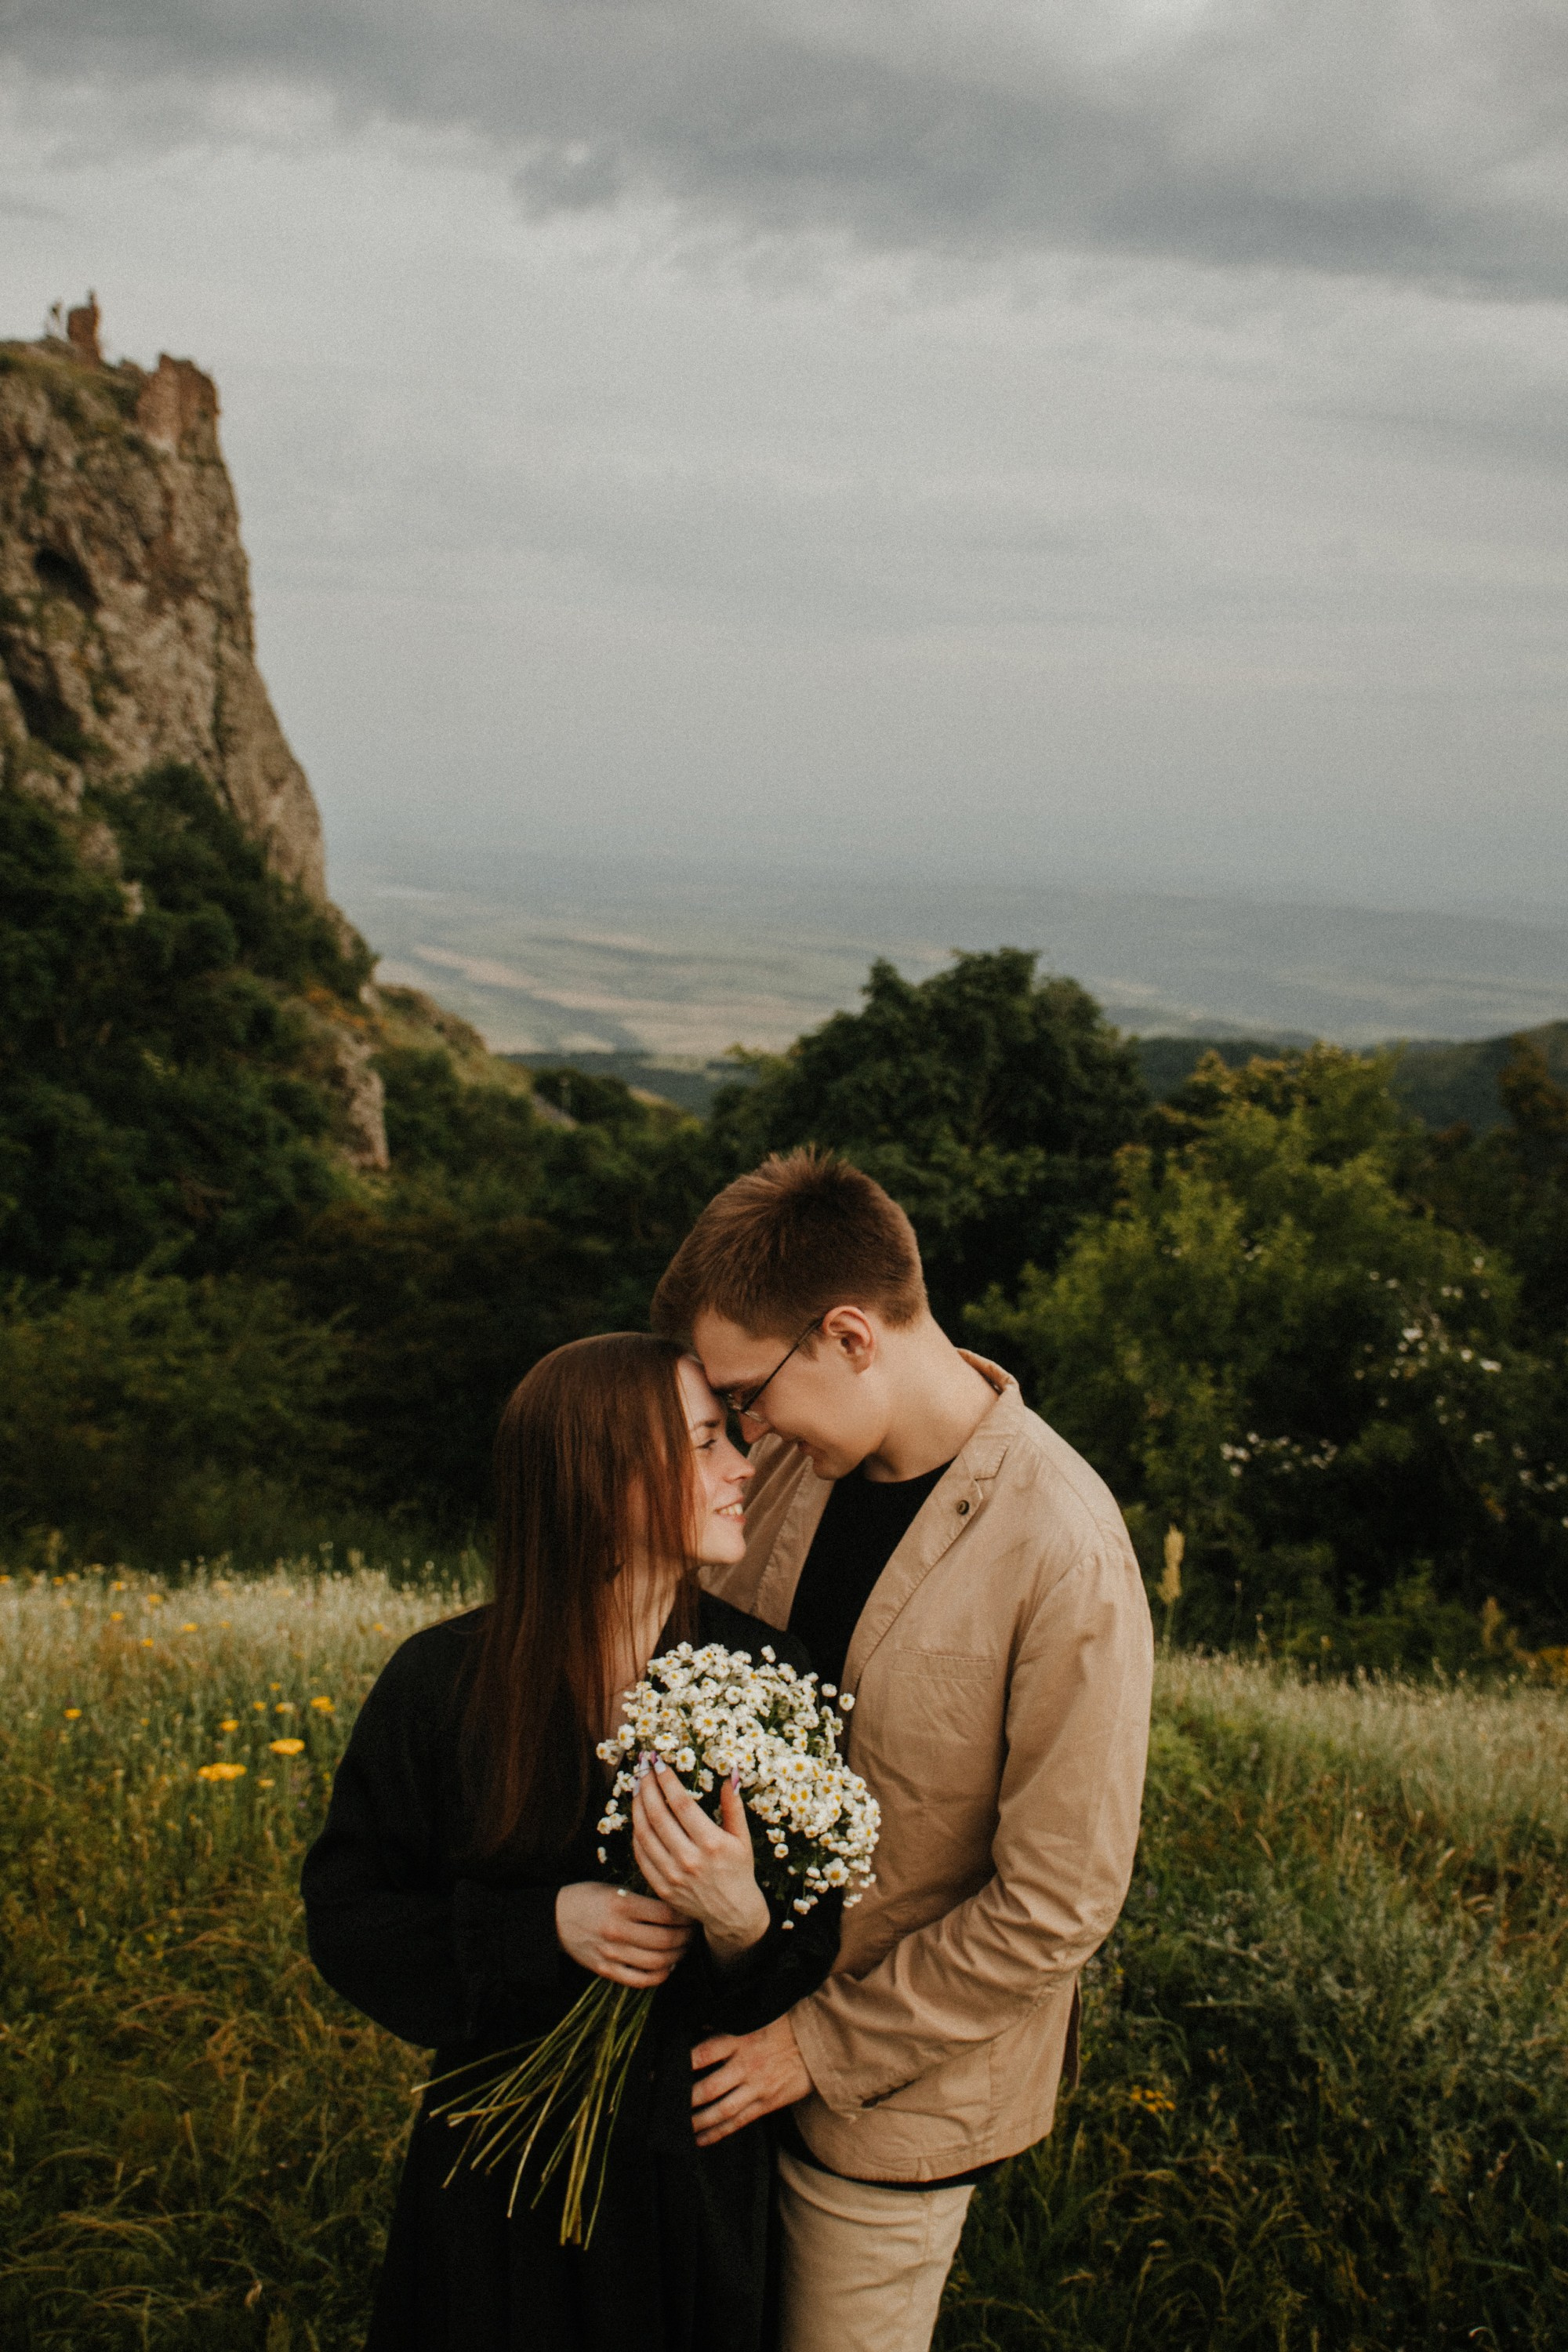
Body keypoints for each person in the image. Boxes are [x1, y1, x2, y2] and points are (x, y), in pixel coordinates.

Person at [650, 1150, 1154, 2352]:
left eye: (749, 1392)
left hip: (888, 2113)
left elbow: (1058, 1900)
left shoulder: (1067, 1549)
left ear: (850, 1336)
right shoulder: (776, 1463)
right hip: (706, 2041)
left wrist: (815, 2046)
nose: (741, 1428)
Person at [301, 1333, 841, 2352]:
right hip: (494, 2187)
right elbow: (350, 1915)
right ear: (602, 1476)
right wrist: (542, 1925)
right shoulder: (443, 1682)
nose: (742, 1465)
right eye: (704, 1442)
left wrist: (740, 1918)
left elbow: (810, 1953)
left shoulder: (767, 1674)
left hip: (685, 2184)